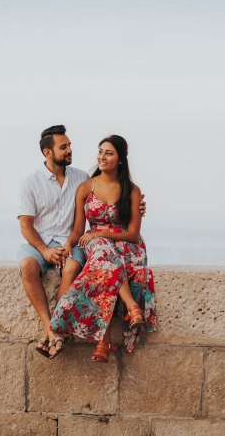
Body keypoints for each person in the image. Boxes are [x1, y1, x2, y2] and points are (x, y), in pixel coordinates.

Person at [17, 125, 147, 360]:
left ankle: (100, 340)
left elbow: (130, 227)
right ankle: (54, 329)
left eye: (70, 146)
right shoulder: (34, 183)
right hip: (53, 243)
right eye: (64, 147)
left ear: (120, 159)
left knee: (83, 266)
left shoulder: (83, 177)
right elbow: (32, 225)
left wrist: (134, 209)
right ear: (48, 152)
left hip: (94, 244)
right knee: (30, 266)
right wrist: (49, 249)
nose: (70, 150)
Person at [49, 134, 157, 362]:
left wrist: (99, 232)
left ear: (120, 159)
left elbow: (133, 234)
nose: (102, 157)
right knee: (101, 252)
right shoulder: (86, 188)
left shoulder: (132, 190)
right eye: (100, 151)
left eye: (109, 153)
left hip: (128, 247)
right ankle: (131, 307)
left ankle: (104, 341)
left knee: (101, 263)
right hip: (97, 247)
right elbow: (79, 230)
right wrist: (69, 244)